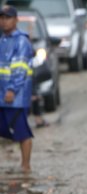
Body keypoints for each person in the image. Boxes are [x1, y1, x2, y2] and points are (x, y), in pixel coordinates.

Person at [0, 5, 33, 173]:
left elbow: (20, 69)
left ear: (15, 20)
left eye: (8, 18)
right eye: (2, 18)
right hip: (2, 95)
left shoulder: (21, 41)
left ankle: (25, 166)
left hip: (16, 97)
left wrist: (12, 90)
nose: (4, 21)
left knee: (22, 132)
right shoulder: (2, 40)